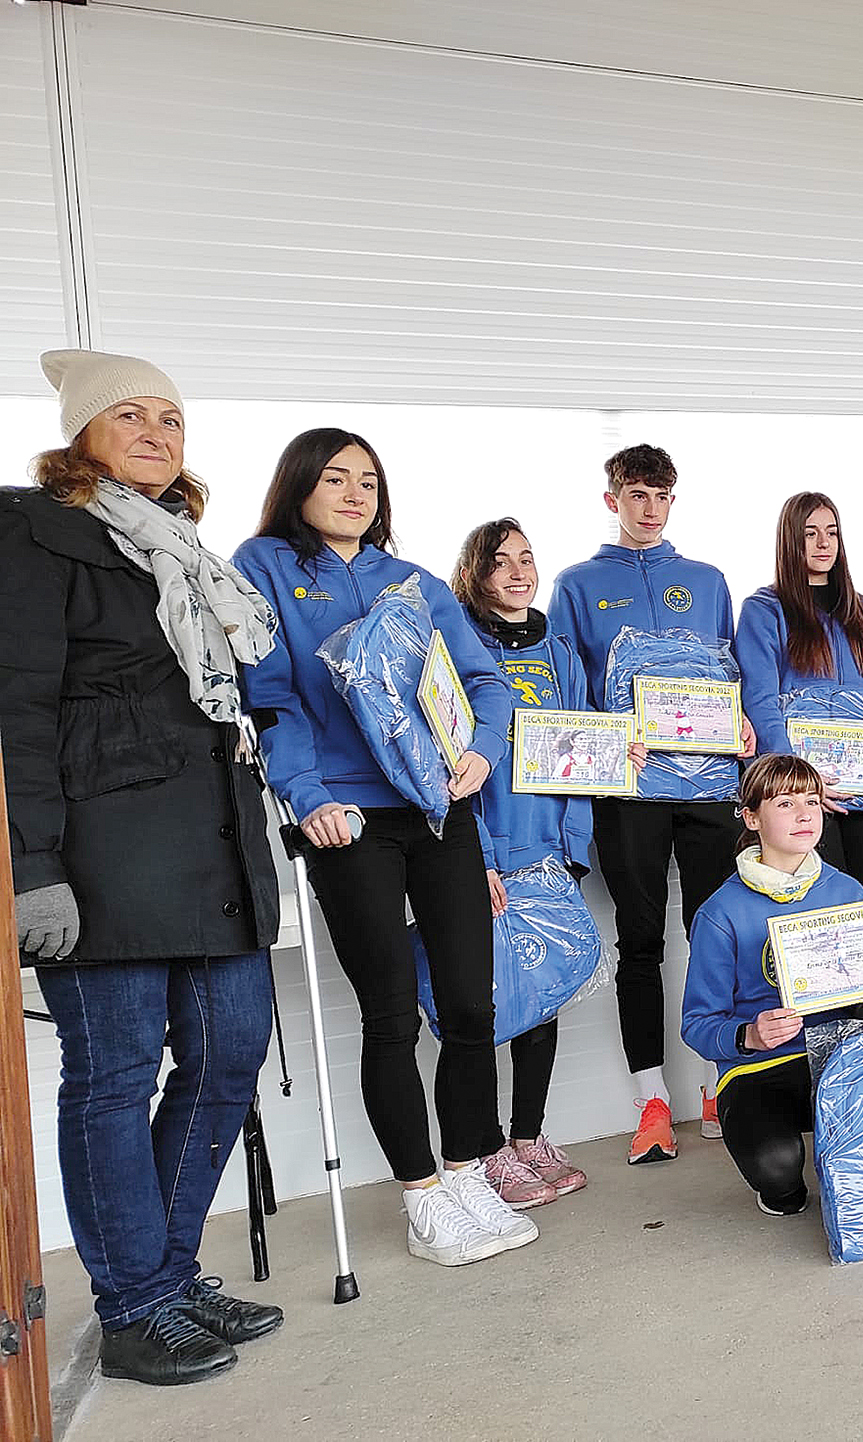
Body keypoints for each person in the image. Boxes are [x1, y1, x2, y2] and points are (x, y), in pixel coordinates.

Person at [2, 350, 281, 1385]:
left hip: (213, 849)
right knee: (114, 1078)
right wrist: (32, 865)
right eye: (132, 413)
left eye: (171, 415)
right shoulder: (32, 533)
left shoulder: (186, 550)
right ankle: (130, 1305)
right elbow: (14, 710)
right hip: (106, 854)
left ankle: (166, 1270)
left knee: (226, 1059)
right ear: (80, 433)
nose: (160, 430)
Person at [233, 428, 534, 1268]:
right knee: (392, 1013)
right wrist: (307, 794)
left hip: (438, 810)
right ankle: (423, 1196)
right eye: (336, 478)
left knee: (472, 1005)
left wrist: (482, 747)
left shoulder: (412, 580)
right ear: (297, 485)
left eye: (369, 480)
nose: (356, 493)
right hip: (346, 820)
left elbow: (482, 682)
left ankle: (469, 1166)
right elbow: (272, 697)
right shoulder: (263, 567)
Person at [549, 443, 753, 1165]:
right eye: (637, 495)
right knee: (640, 941)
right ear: (612, 499)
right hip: (629, 791)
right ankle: (652, 1102)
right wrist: (608, 743)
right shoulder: (576, 585)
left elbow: (730, 669)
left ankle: (717, 1083)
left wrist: (742, 725)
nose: (651, 509)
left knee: (716, 936)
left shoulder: (707, 580)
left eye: (663, 496)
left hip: (708, 789)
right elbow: (567, 690)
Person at [680, 755, 863, 1217]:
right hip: (761, 1070)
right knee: (778, 1169)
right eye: (785, 803)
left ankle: (859, 1154)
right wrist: (747, 1035)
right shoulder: (719, 912)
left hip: (836, 1058)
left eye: (812, 801)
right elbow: (696, 1024)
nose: (806, 814)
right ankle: (783, 1183)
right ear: (752, 818)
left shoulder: (847, 891)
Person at [450, 517, 597, 1207]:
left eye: (526, 559)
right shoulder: (459, 650)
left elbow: (585, 745)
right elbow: (451, 765)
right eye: (499, 561)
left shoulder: (559, 651)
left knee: (542, 999)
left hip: (550, 853)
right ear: (475, 574)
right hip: (488, 857)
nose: (517, 572)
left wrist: (574, 844)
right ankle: (485, 1151)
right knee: (484, 1004)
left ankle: (527, 1135)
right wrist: (474, 859)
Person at [736, 491, 863, 893]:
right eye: (810, 533)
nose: (824, 543)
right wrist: (799, 783)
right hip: (802, 790)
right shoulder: (764, 610)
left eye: (831, 532)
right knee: (807, 897)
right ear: (791, 541)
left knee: (861, 892)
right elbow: (760, 700)